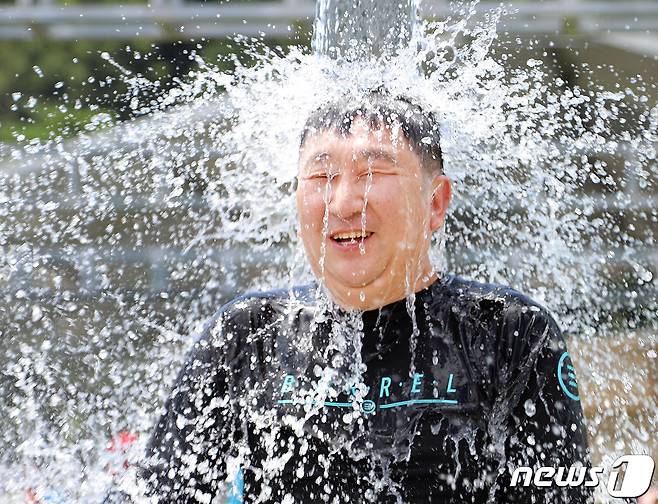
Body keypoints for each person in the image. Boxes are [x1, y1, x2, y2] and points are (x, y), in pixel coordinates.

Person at [113, 91, 596, 503]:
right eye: (321, 179)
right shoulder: (247, 336)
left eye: (373, 174)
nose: (342, 204)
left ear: (436, 202)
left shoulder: (508, 332)